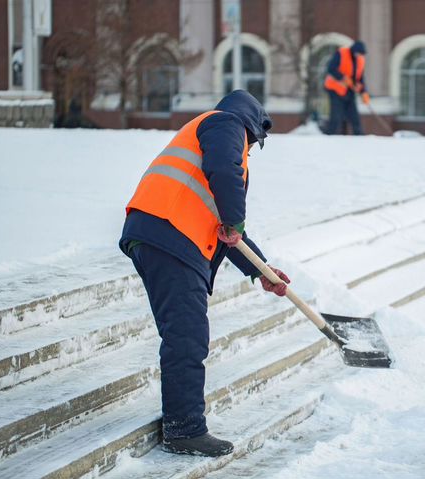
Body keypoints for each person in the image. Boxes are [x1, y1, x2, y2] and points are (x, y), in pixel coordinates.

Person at [119, 90, 291, 457]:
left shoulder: (208, 141)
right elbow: (226, 181)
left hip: (161, 234)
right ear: (252, 126)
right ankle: (185, 429)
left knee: (185, 332)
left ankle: (183, 424)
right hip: (169, 234)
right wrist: (234, 218)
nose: (249, 151)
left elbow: (227, 232)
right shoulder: (225, 124)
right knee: (187, 334)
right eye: (253, 144)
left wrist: (262, 271)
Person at [324, 40, 370, 135]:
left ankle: (360, 140)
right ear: (353, 50)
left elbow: (360, 78)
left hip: (349, 91)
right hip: (335, 89)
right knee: (336, 117)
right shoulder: (341, 53)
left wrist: (363, 92)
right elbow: (331, 68)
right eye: (358, 53)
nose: (359, 55)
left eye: (361, 54)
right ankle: (329, 138)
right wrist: (343, 78)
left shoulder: (360, 60)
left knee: (355, 118)